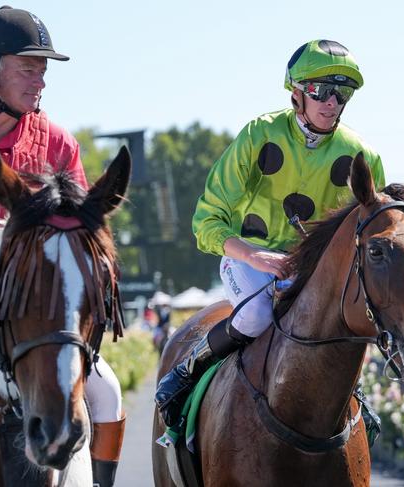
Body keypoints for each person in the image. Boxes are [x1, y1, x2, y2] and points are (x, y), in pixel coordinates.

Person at [0, 7, 123, 486]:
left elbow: (85, 241)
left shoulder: (59, 145)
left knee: (107, 393)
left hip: (21, 311)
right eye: (28, 68)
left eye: (44, 71)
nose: (40, 81)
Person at [155, 39, 386, 427]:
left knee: (347, 321)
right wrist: (252, 255)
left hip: (312, 269)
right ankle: (189, 370)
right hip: (251, 260)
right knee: (257, 316)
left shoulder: (362, 154)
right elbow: (207, 221)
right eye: (322, 91)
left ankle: (352, 394)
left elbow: (373, 230)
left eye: (342, 93)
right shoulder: (258, 135)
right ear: (297, 94)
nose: (332, 102)